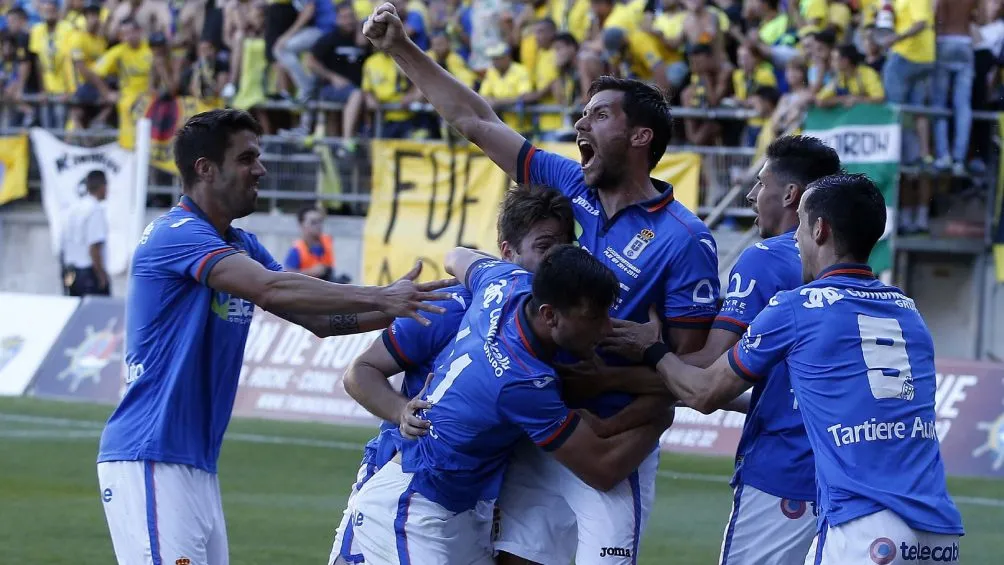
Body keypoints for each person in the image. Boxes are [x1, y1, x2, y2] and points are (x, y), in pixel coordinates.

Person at [362, 4, 720, 563]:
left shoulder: (685, 240)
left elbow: (691, 369)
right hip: (539, 420)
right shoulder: (568, 182)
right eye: (583, 114)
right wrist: (402, 49)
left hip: (610, 435)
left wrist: (614, 377)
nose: (581, 125)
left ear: (640, 136)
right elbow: (477, 122)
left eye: (599, 115)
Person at [95, 109, 454, 565]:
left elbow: (318, 319)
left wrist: (415, 310)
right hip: (150, 454)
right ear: (206, 169)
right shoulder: (176, 234)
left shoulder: (240, 244)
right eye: (247, 158)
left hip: (194, 463)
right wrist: (383, 297)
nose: (260, 169)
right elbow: (272, 287)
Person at [605, 173, 965, 565]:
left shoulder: (796, 307)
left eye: (801, 228)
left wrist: (652, 349)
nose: (795, 240)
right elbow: (838, 399)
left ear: (820, 229)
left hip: (864, 532)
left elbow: (703, 392)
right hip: (938, 533)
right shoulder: (909, 313)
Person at [347, 244, 674, 564]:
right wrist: (662, 413)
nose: (605, 328)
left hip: (454, 509)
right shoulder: (522, 381)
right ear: (549, 315)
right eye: (593, 316)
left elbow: (456, 256)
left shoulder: (506, 280)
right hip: (411, 508)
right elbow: (603, 470)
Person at [328, 184, 576, 565]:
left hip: (474, 504)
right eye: (544, 248)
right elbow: (359, 372)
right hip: (405, 481)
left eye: (565, 247)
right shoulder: (453, 306)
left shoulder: (555, 328)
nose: (557, 259)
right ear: (507, 253)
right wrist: (401, 412)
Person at [61, 169, 110, 297]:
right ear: (102, 187)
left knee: (74, 308)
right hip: (87, 272)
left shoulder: (73, 208)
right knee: (96, 313)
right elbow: (94, 246)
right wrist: (101, 275)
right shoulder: (95, 210)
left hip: (69, 271)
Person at [285, 206, 336, 280]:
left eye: (320, 221)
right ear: (301, 225)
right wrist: (310, 272)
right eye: (313, 222)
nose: (319, 226)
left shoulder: (327, 242)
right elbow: (287, 276)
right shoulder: (296, 250)